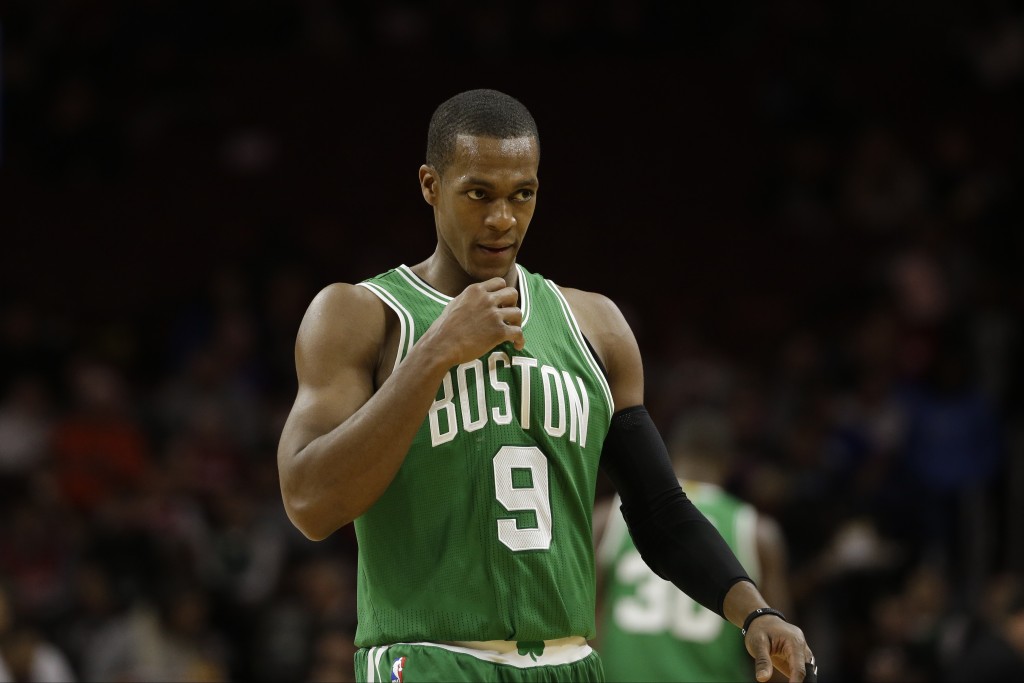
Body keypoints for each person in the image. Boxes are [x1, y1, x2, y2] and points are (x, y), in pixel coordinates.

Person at [277, 88, 816, 683]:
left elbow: (659, 509)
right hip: (431, 659)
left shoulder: (597, 326)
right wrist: (435, 353)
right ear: (431, 185)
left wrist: (754, 612)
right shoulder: (361, 315)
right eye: (478, 194)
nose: (502, 218)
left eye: (522, 195)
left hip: (568, 663)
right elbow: (309, 503)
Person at [594, 408, 794, 682]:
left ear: (665, 451)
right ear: (729, 462)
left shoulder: (608, 518)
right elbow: (779, 651)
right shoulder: (758, 532)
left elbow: (585, 623)